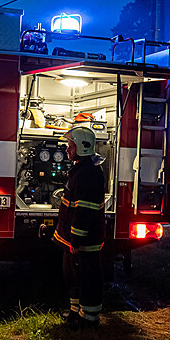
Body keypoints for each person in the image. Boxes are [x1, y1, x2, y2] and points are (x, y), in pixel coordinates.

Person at [53, 126, 105, 329]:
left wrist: (77, 240)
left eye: (70, 146)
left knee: (88, 278)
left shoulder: (88, 175)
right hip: (72, 239)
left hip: (84, 241)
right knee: (73, 276)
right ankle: (76, 313)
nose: (67, 150)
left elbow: (84, 212)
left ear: (82, 148)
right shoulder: (81, 170)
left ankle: (89, 319)